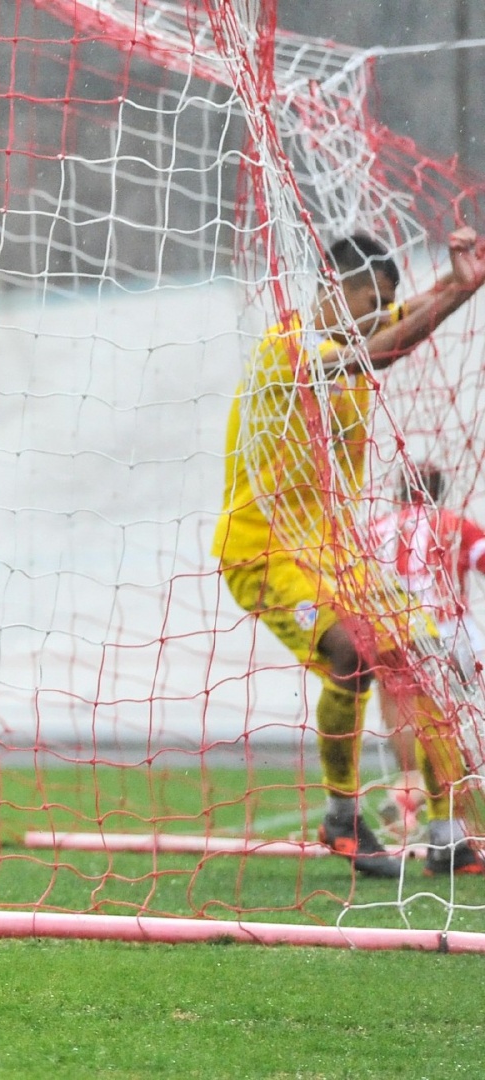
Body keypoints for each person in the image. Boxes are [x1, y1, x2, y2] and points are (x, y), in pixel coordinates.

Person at [213, 228, 485, 879]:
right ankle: (342, 817)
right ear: (334, 289)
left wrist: (458, 279)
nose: (377, 312)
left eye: (383, 302)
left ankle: (449, 832)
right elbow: (386, 350)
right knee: (354, 652)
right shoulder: (292, 348)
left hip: (336, 552)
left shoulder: (355, 330)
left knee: (424, 653)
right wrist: (461, 293)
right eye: (370, 300)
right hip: (263, 553)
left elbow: (410, 312)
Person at [370, 463, 485, 843]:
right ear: (440, 491)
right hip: (448, 638)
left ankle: (405, 798)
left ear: (401, 490)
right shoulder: (454, 525)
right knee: (457, 731)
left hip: (392, 636)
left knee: (405, 724)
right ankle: (428, 806)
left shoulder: (378, 529)